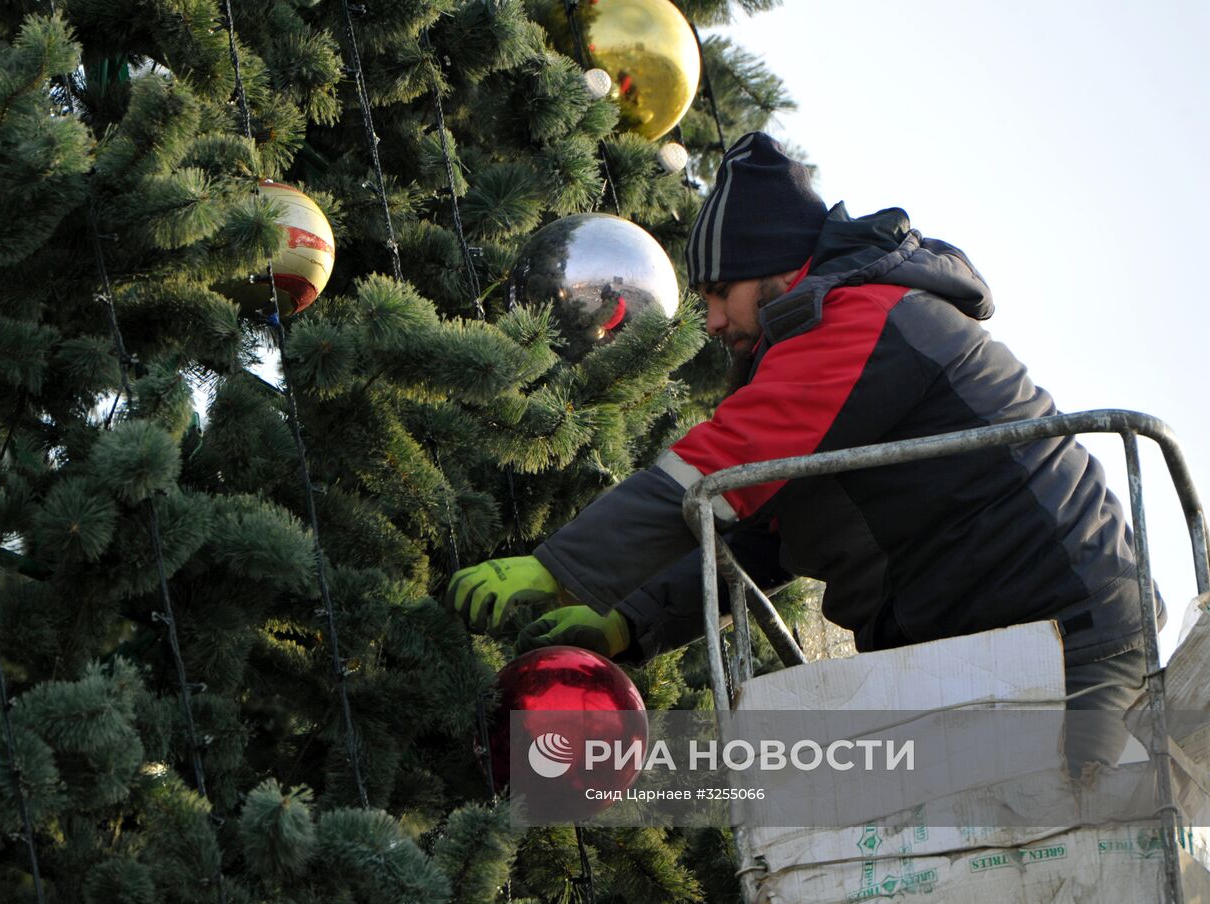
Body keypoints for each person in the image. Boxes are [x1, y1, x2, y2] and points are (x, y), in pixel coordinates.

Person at [449, 132, 1157, 770]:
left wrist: (559, 568)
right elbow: (761, 534)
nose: (713, 320)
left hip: (1068, 639)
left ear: (780, 268)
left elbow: (720, 470)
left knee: (1077, 836)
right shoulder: (810, 346)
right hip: (973, 660)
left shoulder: (868, 317)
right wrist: (629, 618)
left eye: (722, 292)